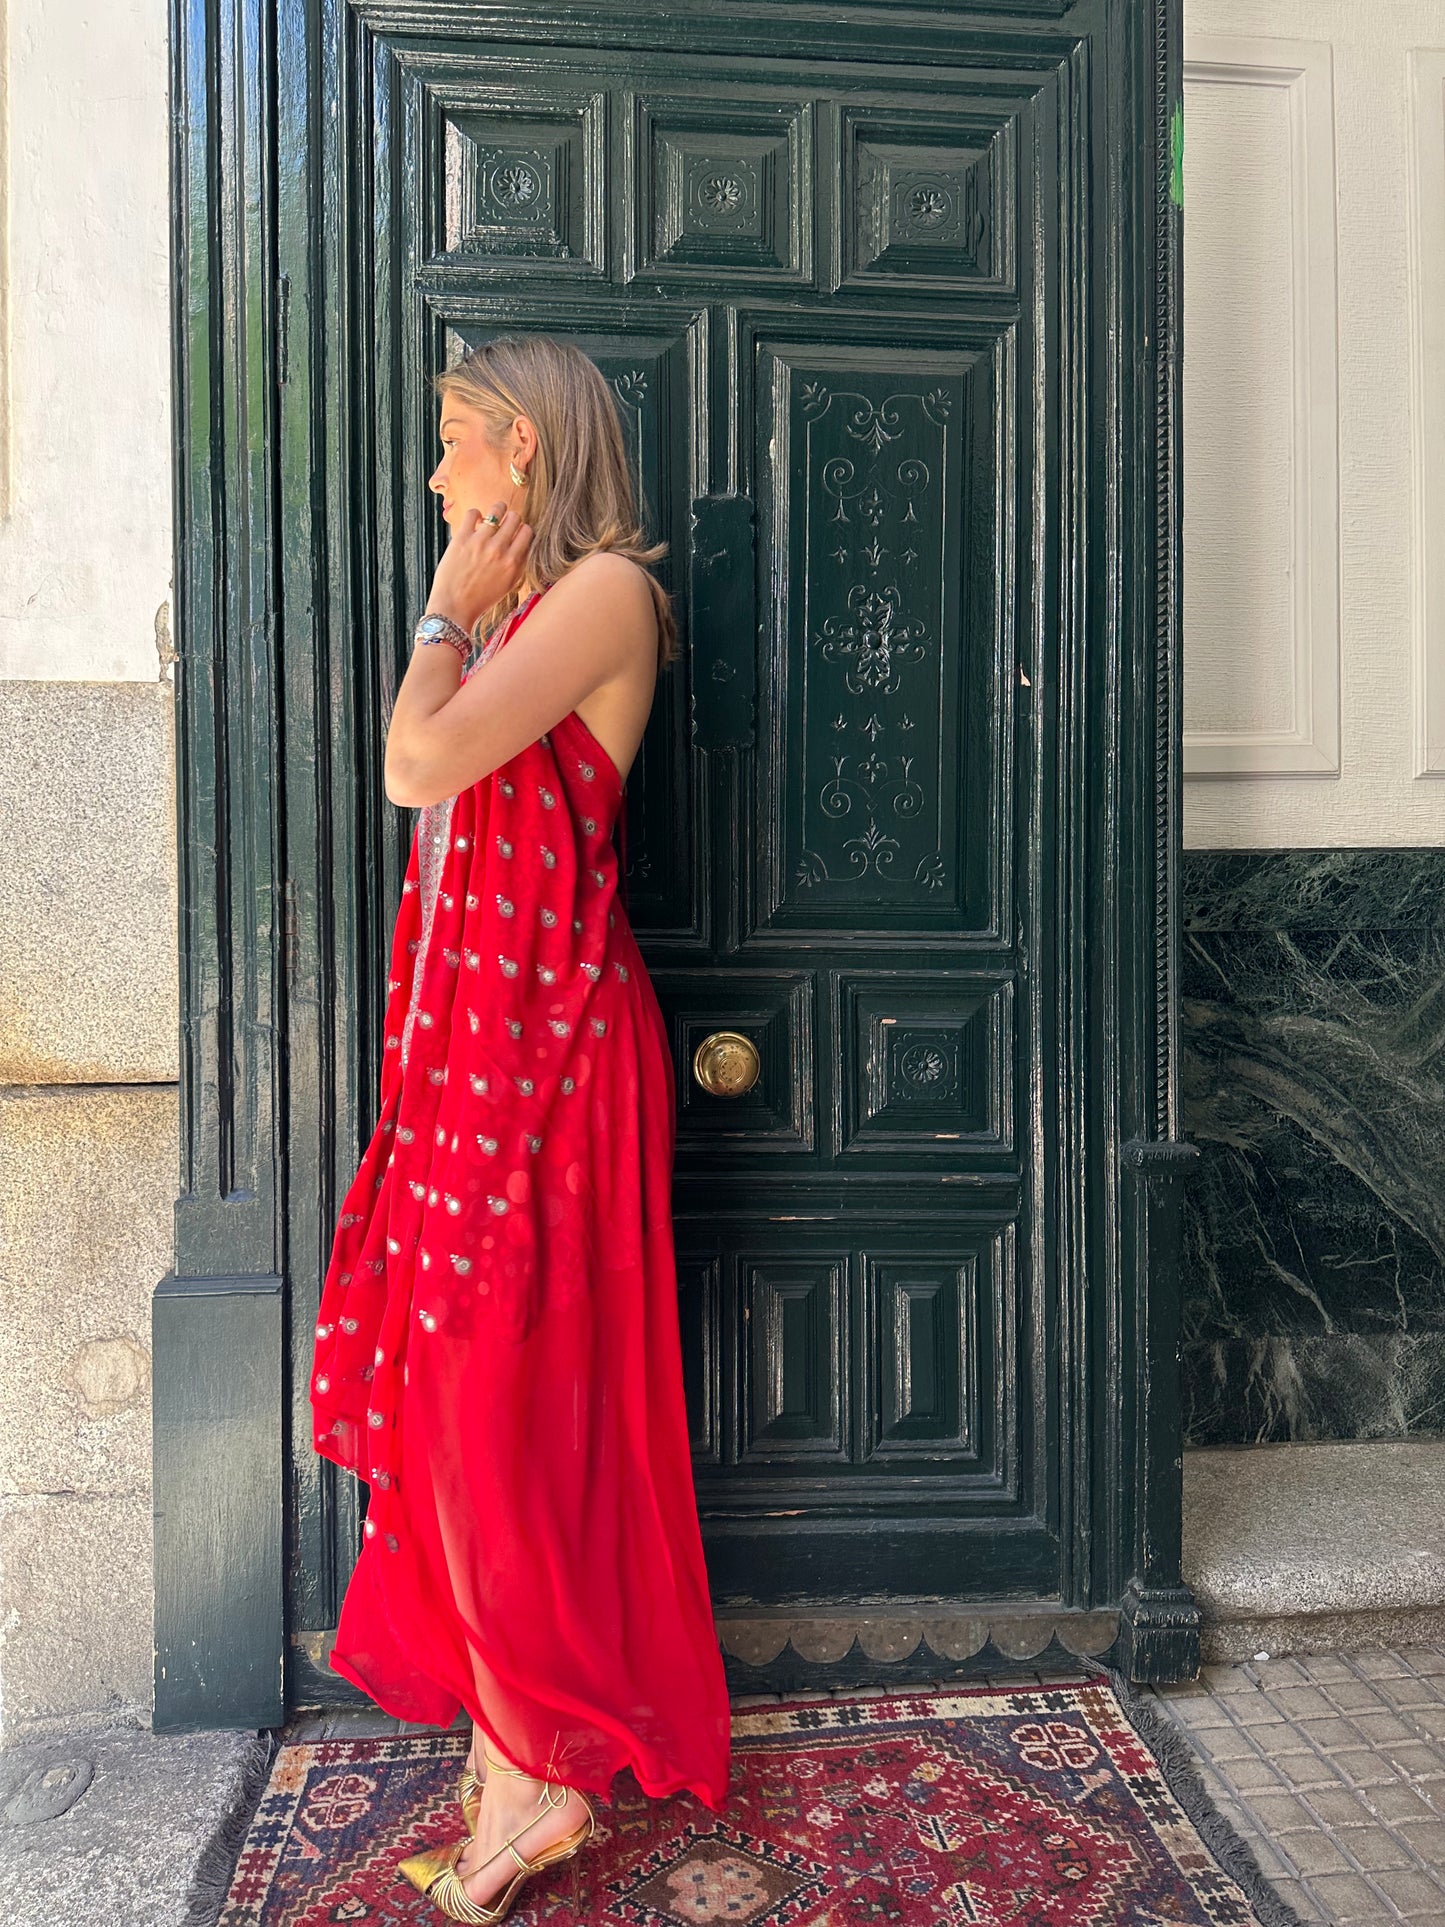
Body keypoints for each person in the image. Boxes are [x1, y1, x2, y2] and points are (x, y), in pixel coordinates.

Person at [308, 334, 732, 1923]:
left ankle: (538, 1769)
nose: (437, 477)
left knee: (490, 1393)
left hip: (547, 1057)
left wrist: (437, 611)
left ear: (527, 456)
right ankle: (509, 1754)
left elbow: (419, 761)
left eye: (453, 445)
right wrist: (460, 619)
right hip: (478, 1057)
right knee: (452, 1392)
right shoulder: (524, 617)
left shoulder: (603, 596)